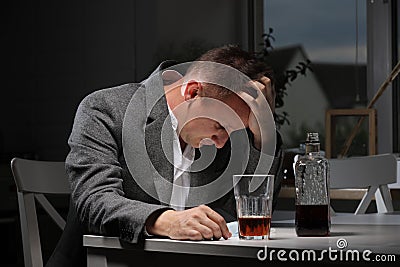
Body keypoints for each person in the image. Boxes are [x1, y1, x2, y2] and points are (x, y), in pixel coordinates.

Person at [45, 45, 284, 267]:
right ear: (192, 92)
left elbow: (247, 217)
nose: (222, 143)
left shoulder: (220, 138)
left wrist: (264, 136)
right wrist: (167, 222)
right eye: (221, 126)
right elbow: (94, 202)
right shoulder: (106, 109)